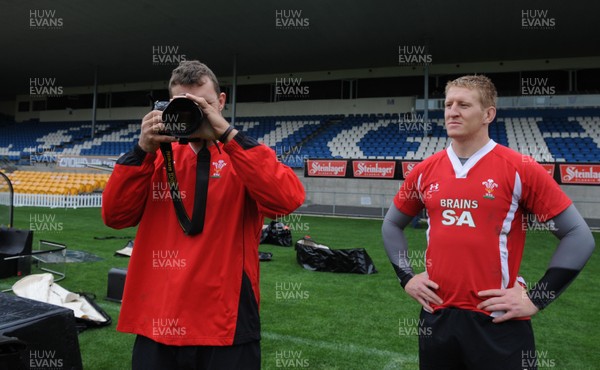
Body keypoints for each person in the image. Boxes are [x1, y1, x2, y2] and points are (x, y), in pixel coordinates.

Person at [102, 60, 305, 370]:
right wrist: (141, 150)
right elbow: (116, 216)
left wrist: (228, 136)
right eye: (184, 105)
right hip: (160, 316)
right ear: (168, 106)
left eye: (204, 104)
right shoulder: (155, 156)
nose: (194, 114)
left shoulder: (243, 155)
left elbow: (285, 200)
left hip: (226, 319)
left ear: (221, 102)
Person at [382, 75, 595, 369]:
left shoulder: (521, 168)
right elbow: (391, 225)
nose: (452, 111)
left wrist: (536, 298)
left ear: (488, 114)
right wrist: (406, 277)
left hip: (498, 321)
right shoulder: (424, 171)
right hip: (437, 317)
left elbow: (578, 235)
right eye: (448, 104)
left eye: (463, 105)